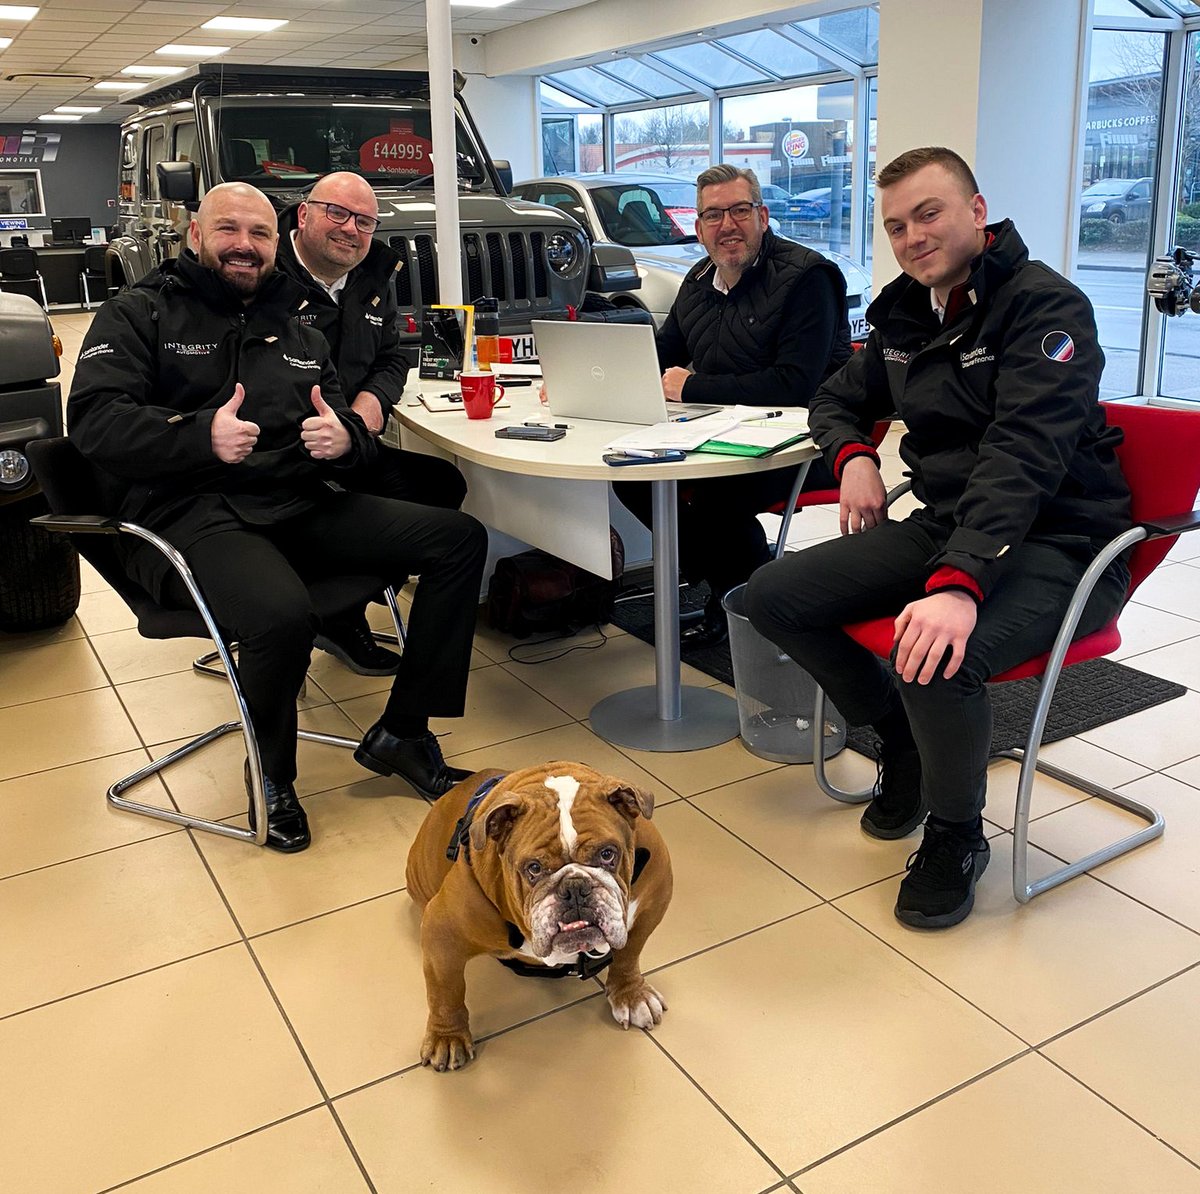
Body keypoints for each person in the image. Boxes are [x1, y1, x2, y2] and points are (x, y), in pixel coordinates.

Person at [745, 147, 1131, 929]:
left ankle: (957, 834)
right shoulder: (904, 312)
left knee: (932, 656)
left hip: (1062, 542)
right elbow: (834, 398)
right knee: (771, 596)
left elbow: (1023, 457)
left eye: (929, 214)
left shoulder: (1045, 307)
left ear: (977, 212)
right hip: (948, 525)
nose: (912, 236)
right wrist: (853, 456)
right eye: (896, 226)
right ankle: (904, 745)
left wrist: (958, 583)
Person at [68, 182, 489, 854]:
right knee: (281, 614)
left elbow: (344, 421)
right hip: (188, 513)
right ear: (196, 235)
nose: (245, 245)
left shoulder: (298, 325)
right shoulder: (139, 311)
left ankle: (404, 732)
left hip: (294, 501)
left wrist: (347, 439)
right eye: (228, 229)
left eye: (259, 233)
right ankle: (272, 774)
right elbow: (93, 423)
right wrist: (199, 435)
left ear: (275, 242)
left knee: (458, 540)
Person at [614, 163, 852, 648]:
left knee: (714, 494)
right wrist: (599, 379)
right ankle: (742, 583)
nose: (727, 225)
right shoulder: (699, 279)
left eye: (739, 211)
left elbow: (795, 385)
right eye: (713, 215)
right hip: (724, 432)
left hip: (809, 442)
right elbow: (662, 353)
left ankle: (748, 601)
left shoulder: (808, 278)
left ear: (762, 216)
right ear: (698, 227)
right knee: (630, 476)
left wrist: (693, 387)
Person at [275, 170, 468, 676]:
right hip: (288, 454)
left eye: (364, 221)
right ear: (304, 215)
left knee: (441, 484)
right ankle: (324, 611)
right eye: (337, 213)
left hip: (355, 442)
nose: (351, 229)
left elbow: (393, 356)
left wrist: (373, 402)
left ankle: (344, 609)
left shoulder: (373, 275)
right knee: (372, 507)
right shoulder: (264, 275)